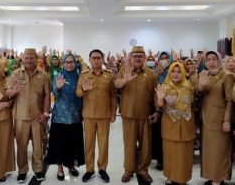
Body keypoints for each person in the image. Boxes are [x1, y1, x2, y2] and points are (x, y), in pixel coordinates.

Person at [5, 48, 51, 183]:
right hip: (20, 118)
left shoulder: (43, 75)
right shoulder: (14, 74)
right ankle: (22, 171)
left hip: (38, 117)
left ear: (36, 58)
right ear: (22, 58)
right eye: (26, 58)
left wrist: (46, 113)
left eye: (31, 58)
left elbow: (47, 95)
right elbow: (7, 92)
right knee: (21, 147)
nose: (28, 60)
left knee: (38, 146)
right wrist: (14, 91)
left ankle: (38, 170)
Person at [115, 46, 158, 183]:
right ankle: (129, 170)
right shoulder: (124, 70)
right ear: (131, 58)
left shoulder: (151, 74)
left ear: (144, 58)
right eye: (135, 56)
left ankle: (143, 170)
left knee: (145, 146)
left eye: (140, 56)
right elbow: (116, 84)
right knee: (129, 144)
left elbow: (156, 94)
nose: (138, 58)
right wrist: (125, 80)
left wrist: (157, 111)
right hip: (128, 114)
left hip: (146, 115)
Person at [76, 49, 117, 183]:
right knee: (89, 144)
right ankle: (89, 170)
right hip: (89, 115)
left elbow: (112, 95)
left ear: (102, 59)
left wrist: (113, 113)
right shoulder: (84, 75)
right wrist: (84, 89)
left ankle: (102, 169)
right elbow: (77, 93)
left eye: (99, 58)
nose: (96, 60)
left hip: (104, 115)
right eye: (93, 58)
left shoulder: (109, 75)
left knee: (103, 144)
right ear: (89, 60)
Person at [46, 54, 85, 181]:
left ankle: (71, 165)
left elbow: (82, 94)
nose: (69, 64)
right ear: (63, 63)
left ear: (75, 63)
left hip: (75, 116)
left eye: (71, 62)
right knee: (59, 143)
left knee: (73, 143)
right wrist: (58, 87)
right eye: (66, 62)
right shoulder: (58, 75)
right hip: (60, 117)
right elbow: (55, 93)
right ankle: (59, 168)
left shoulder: (79, 76)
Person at [156, 62, 196, 185]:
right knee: (170, 152)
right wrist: (160, 98)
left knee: (184, 154)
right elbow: (160, 106)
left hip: (185, 125)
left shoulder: (188, 85)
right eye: (173, 71)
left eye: (179, 71)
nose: (176, 74)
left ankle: (183, 178)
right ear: (169, 72)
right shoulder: (165, 86)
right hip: (170, 125)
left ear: (183, 73)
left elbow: (192, 103)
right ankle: (171, 177)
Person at [199, 51, 234, 185]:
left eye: (214, 59)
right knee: (210, 151)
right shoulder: (206, 75)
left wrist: (227, 120)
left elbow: (229, 100)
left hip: (220, 121)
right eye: (208, 59)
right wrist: (201, 87)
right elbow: (202, 95)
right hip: (206, 119)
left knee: (220, 150)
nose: (211, 62)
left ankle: (218, 179)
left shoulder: (227, 76)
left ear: (219, 61)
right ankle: (212, 176)